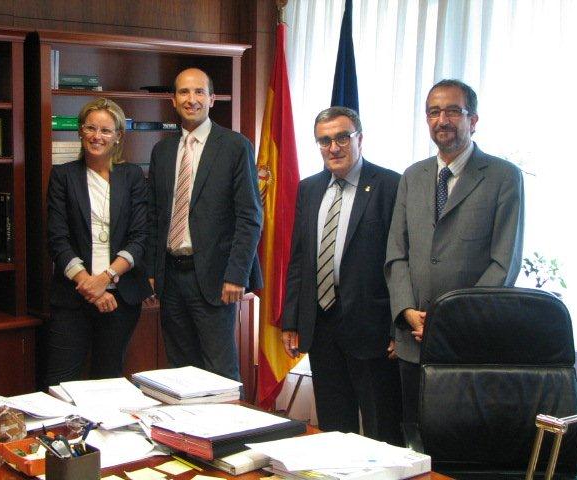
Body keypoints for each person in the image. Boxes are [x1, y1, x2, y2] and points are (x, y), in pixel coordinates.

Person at [385, 79, 525, 424]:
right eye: (434, 112)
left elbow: (504, 262)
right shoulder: (412, 176)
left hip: (469, 341)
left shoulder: (503, 176)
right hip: (414, 340)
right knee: (413, 438)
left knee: (462, 440)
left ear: (473, 120)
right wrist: (406, 311)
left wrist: (450, 318)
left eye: (452, 111)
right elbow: (396, 254)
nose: (442, 120)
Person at [281, 107, 403, 444]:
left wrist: (398, 326)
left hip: (372, 329)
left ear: (359, 138)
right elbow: (300, 259)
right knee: (334, 430)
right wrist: (291, 320)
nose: (333, 147)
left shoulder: (390, 185)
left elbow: (401, 262)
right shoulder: (309, 188)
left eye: (342, 138)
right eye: (324, 140)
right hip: (321, 327)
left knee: (382, 430)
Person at [147, 68, 262, 381]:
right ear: (173, 100)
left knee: (219, 372)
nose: (192, 99)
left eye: (199, 92)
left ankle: (228, 417)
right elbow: (155, 215)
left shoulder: (235, 146)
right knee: (180, 373)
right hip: (171, 278)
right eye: (184, 92)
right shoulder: (162, 150)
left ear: (212, 99)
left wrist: (237, 274)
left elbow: (250, 216)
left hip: (216, 279)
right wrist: (153, 271)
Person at [42, 97, 152, 388]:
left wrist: (106, 278)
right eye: (90, 128)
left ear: (118, 136)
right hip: (73, 297)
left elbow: (140, 237)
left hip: (120, 298)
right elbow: (57, 239)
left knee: (107, 383)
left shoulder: (132, 176)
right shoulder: (63, 176)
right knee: (60, 383)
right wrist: (90, 286)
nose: (97, 136)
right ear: (80, 131)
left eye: (105, 130)